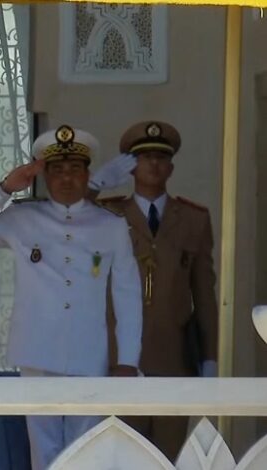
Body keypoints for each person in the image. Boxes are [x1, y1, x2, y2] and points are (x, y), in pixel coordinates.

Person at [0, 125, 143, 470]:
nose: (66, 178)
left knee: (87, 449)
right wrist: (5, 188)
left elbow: (128, 295)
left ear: (88, 174)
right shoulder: (22, 217)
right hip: (37, 351)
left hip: (90, 355)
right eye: (57, 170)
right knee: (44, 451)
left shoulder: (110, 225)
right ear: (44, 176)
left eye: (75, 169)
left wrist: (128, 360)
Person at [89, 120, 218, 460]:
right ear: (131, 167)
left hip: (174, 357)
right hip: (119, 357)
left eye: (161, 157)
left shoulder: (193, 219)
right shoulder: (107, 213)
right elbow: (70, 217)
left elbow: (204, 294)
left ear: (172, 166)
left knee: (167, 455)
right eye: (144, 157)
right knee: (123, 454)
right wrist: (96, 183)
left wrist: (210, 356)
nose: (154, 164)